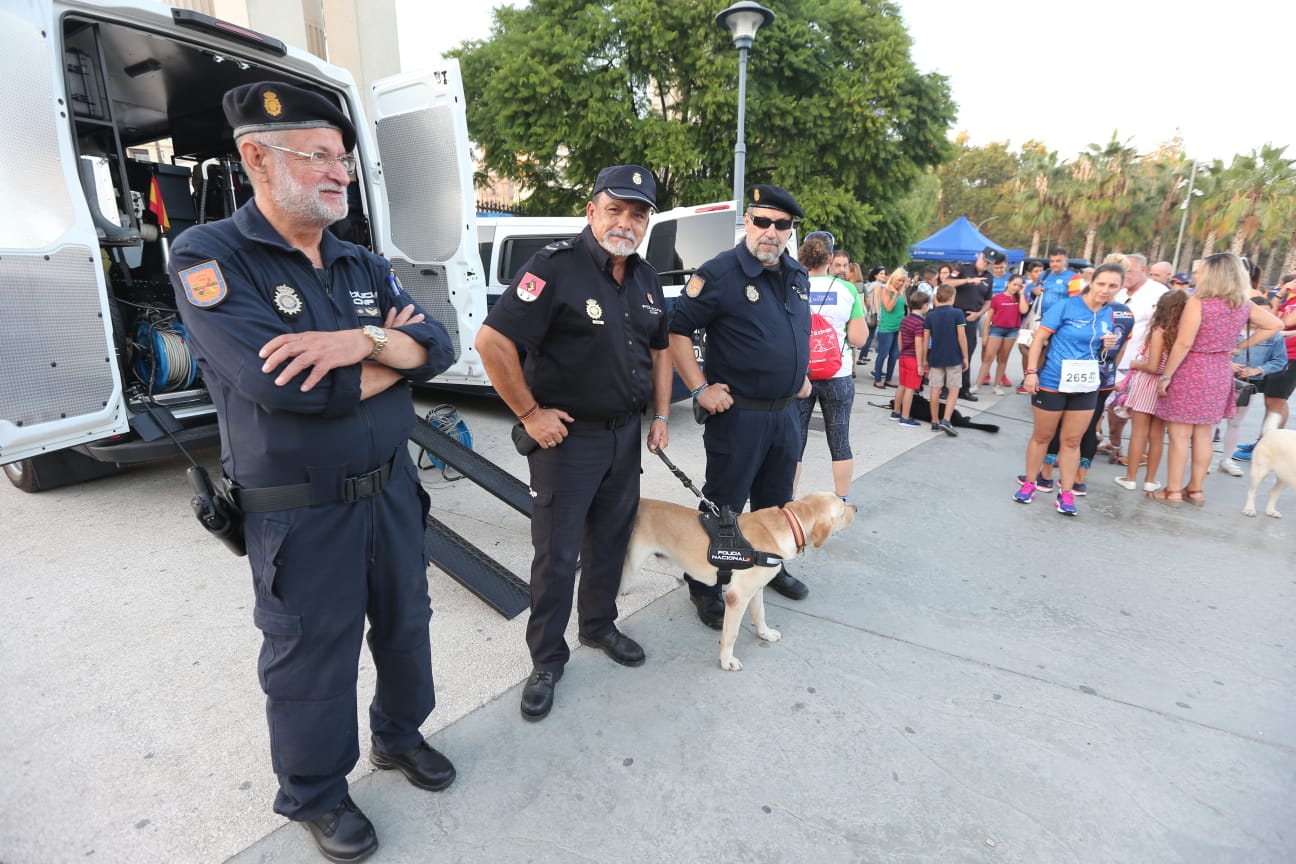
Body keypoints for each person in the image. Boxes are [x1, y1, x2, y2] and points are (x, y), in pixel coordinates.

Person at [166, 82, 457, 862]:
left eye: (345, 160)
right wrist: (391, 352)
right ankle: (316, 794)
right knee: (310, 658)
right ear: (257, 158)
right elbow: (280, 384)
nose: (341, 174)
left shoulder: (358, 258)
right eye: (320, 157)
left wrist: (357, 341)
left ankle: (398, 738)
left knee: (406, 629)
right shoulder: (208, 256)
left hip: (391, 491)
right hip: (301, 511)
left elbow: (441, 340)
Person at [475, 165, 671, 720]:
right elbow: (492, 342)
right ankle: (546, 660)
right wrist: (530, 414)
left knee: (610, 541)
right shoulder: (554, 267)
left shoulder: (646, 278)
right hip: (568, 442)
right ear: (591, 211)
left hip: (623, 439)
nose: (626, 223)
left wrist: (660, 414)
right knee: (557, 556)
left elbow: (659, 349)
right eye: (615, 210)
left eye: (638, 215)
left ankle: (598, 626)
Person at [669, 183, 813, 625]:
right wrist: (698, 389)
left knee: (776, 502)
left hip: (786, 413)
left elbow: (793, 331)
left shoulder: (795, 273)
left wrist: (799, 373)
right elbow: (676, 331)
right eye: (763, 221)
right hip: (739, 415)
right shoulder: (721, 273)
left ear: (791, 231)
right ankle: (706, 583)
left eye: (781, 224)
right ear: (748, 222)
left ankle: (769, 568)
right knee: (724, 506)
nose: (771, 231)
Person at [1150, 253, 1281, 506]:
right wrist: (1239, 346)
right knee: (1204, 434)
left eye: (1202, 271)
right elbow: (1274, 324)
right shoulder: (1243, 303)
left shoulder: (1200, 301)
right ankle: (1196, 490)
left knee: (1179, 435)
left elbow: (1184, 343)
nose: (1198, 275)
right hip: (1220, 369)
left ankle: (1173, 491)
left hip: (1192, 369)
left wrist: (1167, 375)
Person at [1015, 263, 1123, 515]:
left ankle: (1066, 494)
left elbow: (1098, 348)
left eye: (1113, 286)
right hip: (1052, 381)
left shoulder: (1109, 313)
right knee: (1043, 436)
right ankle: (1030, 484)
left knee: (1072, 441)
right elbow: (1039, 339)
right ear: (1092, 282)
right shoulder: (1066, 306)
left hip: (1085, 384)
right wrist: (1031, 373)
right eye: (1101, 284)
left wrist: (1108, 344)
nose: (1105, 290)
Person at [794, 234, 868, 498]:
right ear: (830, 258)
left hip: (799, 377)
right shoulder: (847, 290)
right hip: (837, 375)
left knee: (795, 442)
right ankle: (841, 500)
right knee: (839, 442)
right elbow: (859, 338)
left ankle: (787, 502)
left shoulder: (792, 286)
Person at [1113, 290, 1184, 493]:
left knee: (1138, 434)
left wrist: (1136, 363)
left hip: (1147, 384)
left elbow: (1153, 366)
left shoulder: (1159, 331)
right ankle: (1151, 480)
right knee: (1157, 436)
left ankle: (1131, 477)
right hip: (1166, 386)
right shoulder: (1181, 333)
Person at [1104, 253, 1169, 458]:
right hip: (1114, 361)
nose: (1125, 276)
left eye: (1129, 271)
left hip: (1141, 365)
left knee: (1141, 415)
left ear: (1143, 269)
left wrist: (1152, 363)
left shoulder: (1158, 293)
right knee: (1113, 410)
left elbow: (1164, 329)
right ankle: (1114, 445)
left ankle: (1143, 455)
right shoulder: (1117, 290)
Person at [1217, 296, 1290, 475]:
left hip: (1246, 385)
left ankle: (1226, 459)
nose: (1261, 316)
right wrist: (1226, 364)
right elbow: (1211, 350)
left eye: (1266, 312)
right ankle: (1203, 461)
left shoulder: (1274, 337)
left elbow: (1280, 361)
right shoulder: (1229, 329)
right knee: (1210, 422)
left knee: (1235, 423)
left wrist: (1257, 370)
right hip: (1218, 380)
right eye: (1258, 312)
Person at [946, 249, 994, 399]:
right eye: (984, 260)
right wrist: (968, 280)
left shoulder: (988, 277)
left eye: (988, 262)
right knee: (950, 351)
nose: (985, 264)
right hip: (955, 313)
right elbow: (946, 282)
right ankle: (945, 387)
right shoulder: (963, 268)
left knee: (967, 353)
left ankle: (963, 388)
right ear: (979, 257)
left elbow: (988, 301)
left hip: (971, 316)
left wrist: (979, 314)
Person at [922, 283, 968, 436]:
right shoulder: (958, 313)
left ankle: (934, 421)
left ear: (936, 297)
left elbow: (925, 340)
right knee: (953, 389)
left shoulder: (930, 315)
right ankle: (946, 419)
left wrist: (924, 360)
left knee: (935, 389)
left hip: (935, 357)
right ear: (952, 297)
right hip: (954, 357)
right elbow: (961, 336)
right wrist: (965, 356)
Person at [976, 273, 1030, 396]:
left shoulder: (1021, 298)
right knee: (988, 358)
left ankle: (996, 385)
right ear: (1008, 283)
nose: (1016, 287)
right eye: (1014, 284)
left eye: (1019, 285)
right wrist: (985, 334)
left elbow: (1024, 311)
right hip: (996, 330)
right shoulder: (997, 297)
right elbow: (989, 316)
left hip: (1011, 331)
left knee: (1003, 359)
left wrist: (1021, 294)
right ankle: (977, 385)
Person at [894, 289, 930, 427]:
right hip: (913, 359)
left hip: (903, 356)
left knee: (901, 386)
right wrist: (921, 364)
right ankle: (905, 417)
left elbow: (900, 337)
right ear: (925, 306)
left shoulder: (905, 319)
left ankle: (896, 412)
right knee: (910, 388)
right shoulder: (920, 323)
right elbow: (919, 345)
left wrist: (901, 350)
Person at [872, 269, 908, 388]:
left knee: (894, 354)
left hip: (899, 327)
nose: (900, 283)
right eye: (899, 280)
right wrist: (895, 295)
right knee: (883, 353)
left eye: (903, 281)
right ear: (893, 278)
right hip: (887, 327)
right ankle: (877, 379)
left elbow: (904, 308)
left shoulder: (902, 291)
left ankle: (889, 378)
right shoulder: (886, 290)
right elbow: (888, 308)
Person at [857, 265, 887, 364]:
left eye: (884, 273)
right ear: (875, 275)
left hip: (867, 312)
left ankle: (863, 355)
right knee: (869, 336)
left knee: (867, 335)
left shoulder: (869, 284)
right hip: (873, 313)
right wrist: (879, 315)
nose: (883, 275)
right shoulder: (878, 285)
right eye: (881, 273)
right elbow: (876, 301)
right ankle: (861, 357)